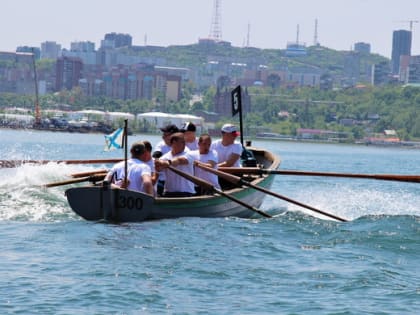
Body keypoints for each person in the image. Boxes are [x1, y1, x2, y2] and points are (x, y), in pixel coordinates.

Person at [155, 132, 196, 197]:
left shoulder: (189, 153)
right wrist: (157, 165)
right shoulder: (165, 157)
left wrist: (167, 163)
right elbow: (159, 169)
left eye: (184, 142)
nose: (184, 144)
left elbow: (179, 160)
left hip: (186, 192)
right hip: (169, 192)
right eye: (182, 142)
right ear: (173, 143)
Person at [153, 124, 179, 196]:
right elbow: (156, 156)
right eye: (163, 134)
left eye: (165, 135)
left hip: (177, 181)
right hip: (162, 180)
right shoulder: (161, 145)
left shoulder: (182, 146)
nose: (163, 137)